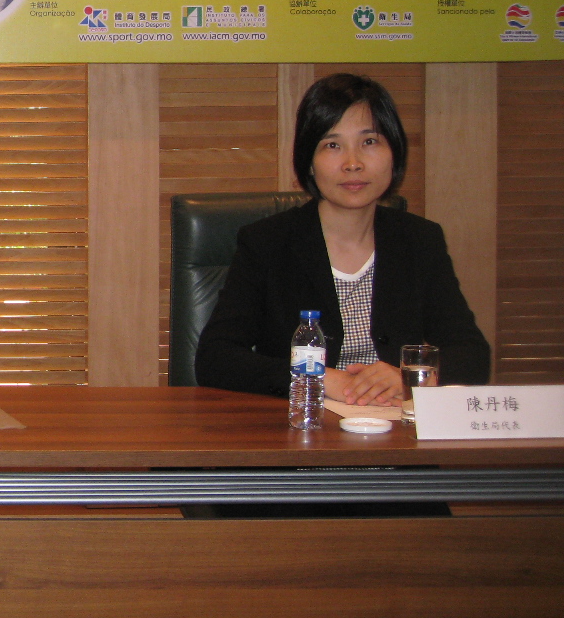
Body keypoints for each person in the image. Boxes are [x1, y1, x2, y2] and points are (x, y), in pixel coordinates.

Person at [196, 73, 490, 402]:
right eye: (332, 145)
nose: (353, 163)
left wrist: (408, 376)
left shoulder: (420, 241)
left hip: (394, 424)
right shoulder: (267, 243)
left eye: (369, 142)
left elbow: (473, 355)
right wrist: (314, 378)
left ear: (394, 152)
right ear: (309, 162)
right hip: (303, 422)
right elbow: (215, 358)